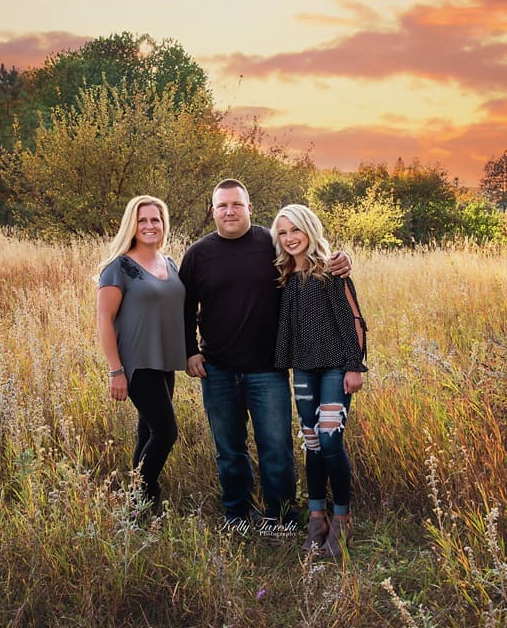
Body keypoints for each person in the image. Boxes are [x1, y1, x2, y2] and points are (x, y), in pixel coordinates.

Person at [179, 179, 351, 528]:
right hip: (217, 370)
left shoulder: (269, 244)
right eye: (222, 205)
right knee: (229, 449)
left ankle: (282, 515)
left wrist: (341, 259)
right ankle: (237, 514)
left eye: (236, 205)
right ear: (212, 210)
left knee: (276, 448)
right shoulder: (198, 254)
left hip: (268, 370)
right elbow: (184, 308)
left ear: (249, 208)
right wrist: (189, 351)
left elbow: (307, 253)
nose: (229, 211)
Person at [272, 203, 368, 557]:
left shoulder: (331, 271)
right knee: (311, 443)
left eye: (295, 230)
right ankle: (317, 520)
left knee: (329, 440)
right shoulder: (282, 276)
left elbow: (354, 319)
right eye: (282, 233)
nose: (289, 238)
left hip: (334, 367)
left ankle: (342, 519)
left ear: (309, 230)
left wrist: (354, 367)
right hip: (303, 368)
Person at [97, 195, 187, 508]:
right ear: (132, 226)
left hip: (164, 361)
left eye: (155, 220)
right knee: (166, 432)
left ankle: (142, 506)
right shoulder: (118, 268)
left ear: (164, 225)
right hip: (136, 363)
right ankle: (137, 498)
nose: (150, 226)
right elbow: (104, 320)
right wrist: (115, 370)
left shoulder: (170, 263)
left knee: (148, 431)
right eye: (143, 220)